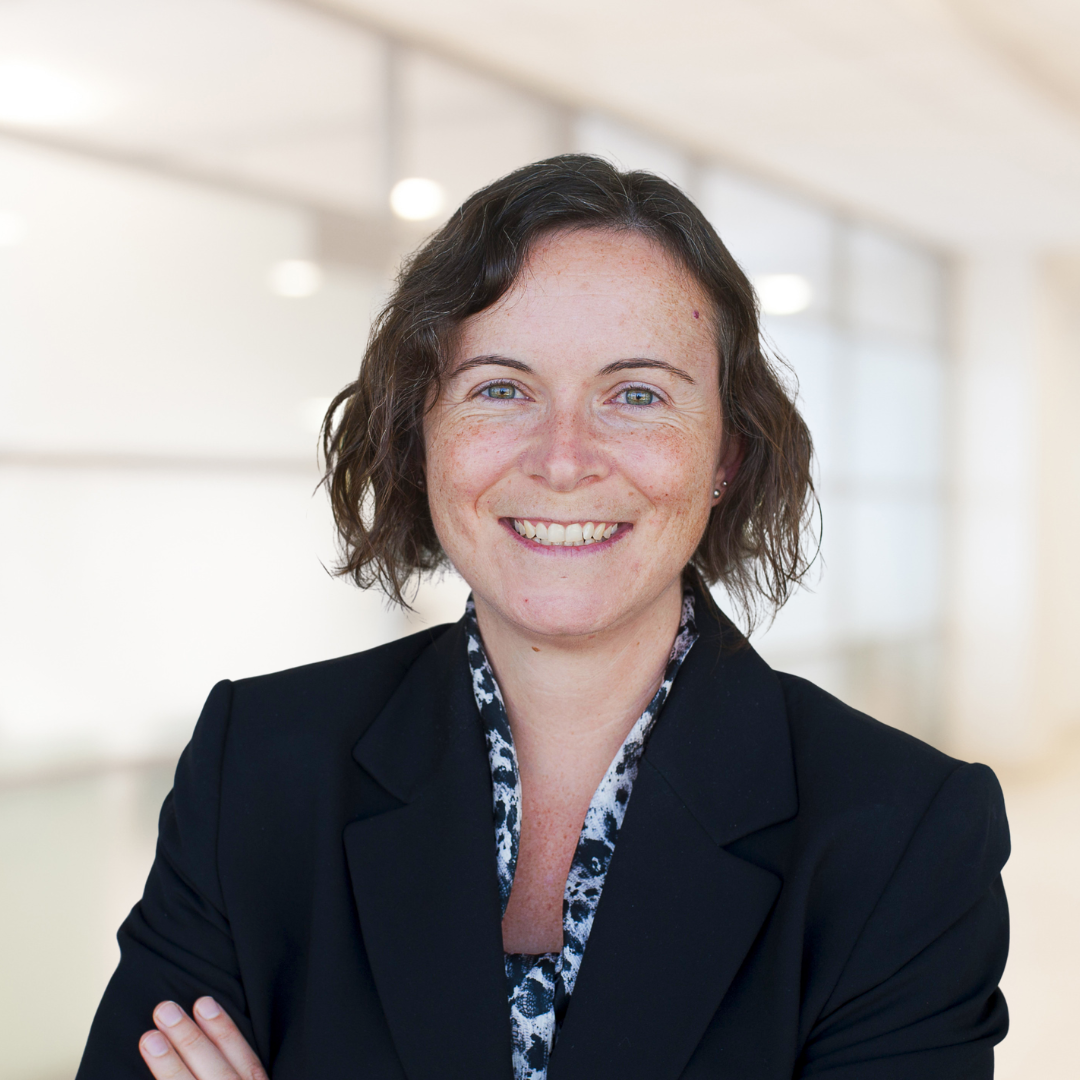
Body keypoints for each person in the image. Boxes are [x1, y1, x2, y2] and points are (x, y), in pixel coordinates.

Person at [75, 155, 1009, 1080]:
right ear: (420, 435)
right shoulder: (258, 766)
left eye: (636, 394)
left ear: (726, 454)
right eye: (500, 388)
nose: (564, 460)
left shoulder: (906, 835)